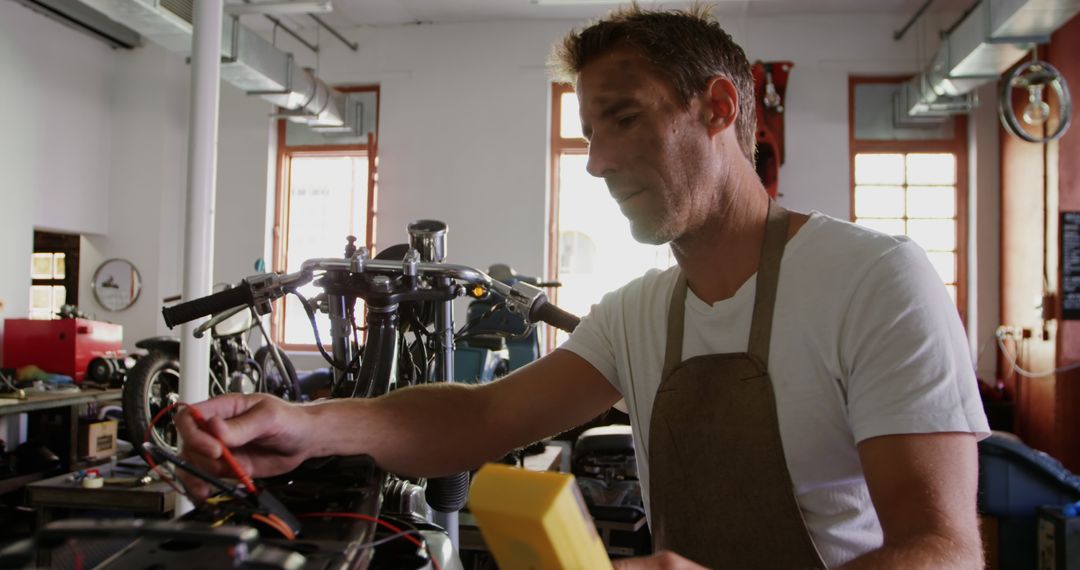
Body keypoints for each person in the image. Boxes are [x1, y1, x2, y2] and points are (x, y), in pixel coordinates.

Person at [177, 4, 989, 569]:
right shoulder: (641, 312)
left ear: (716, 108)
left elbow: (944, 550)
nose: (597, 162)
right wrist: (308, 425)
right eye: (587, 134)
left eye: (623, 118)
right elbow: (483, 416)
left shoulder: (874, 280)